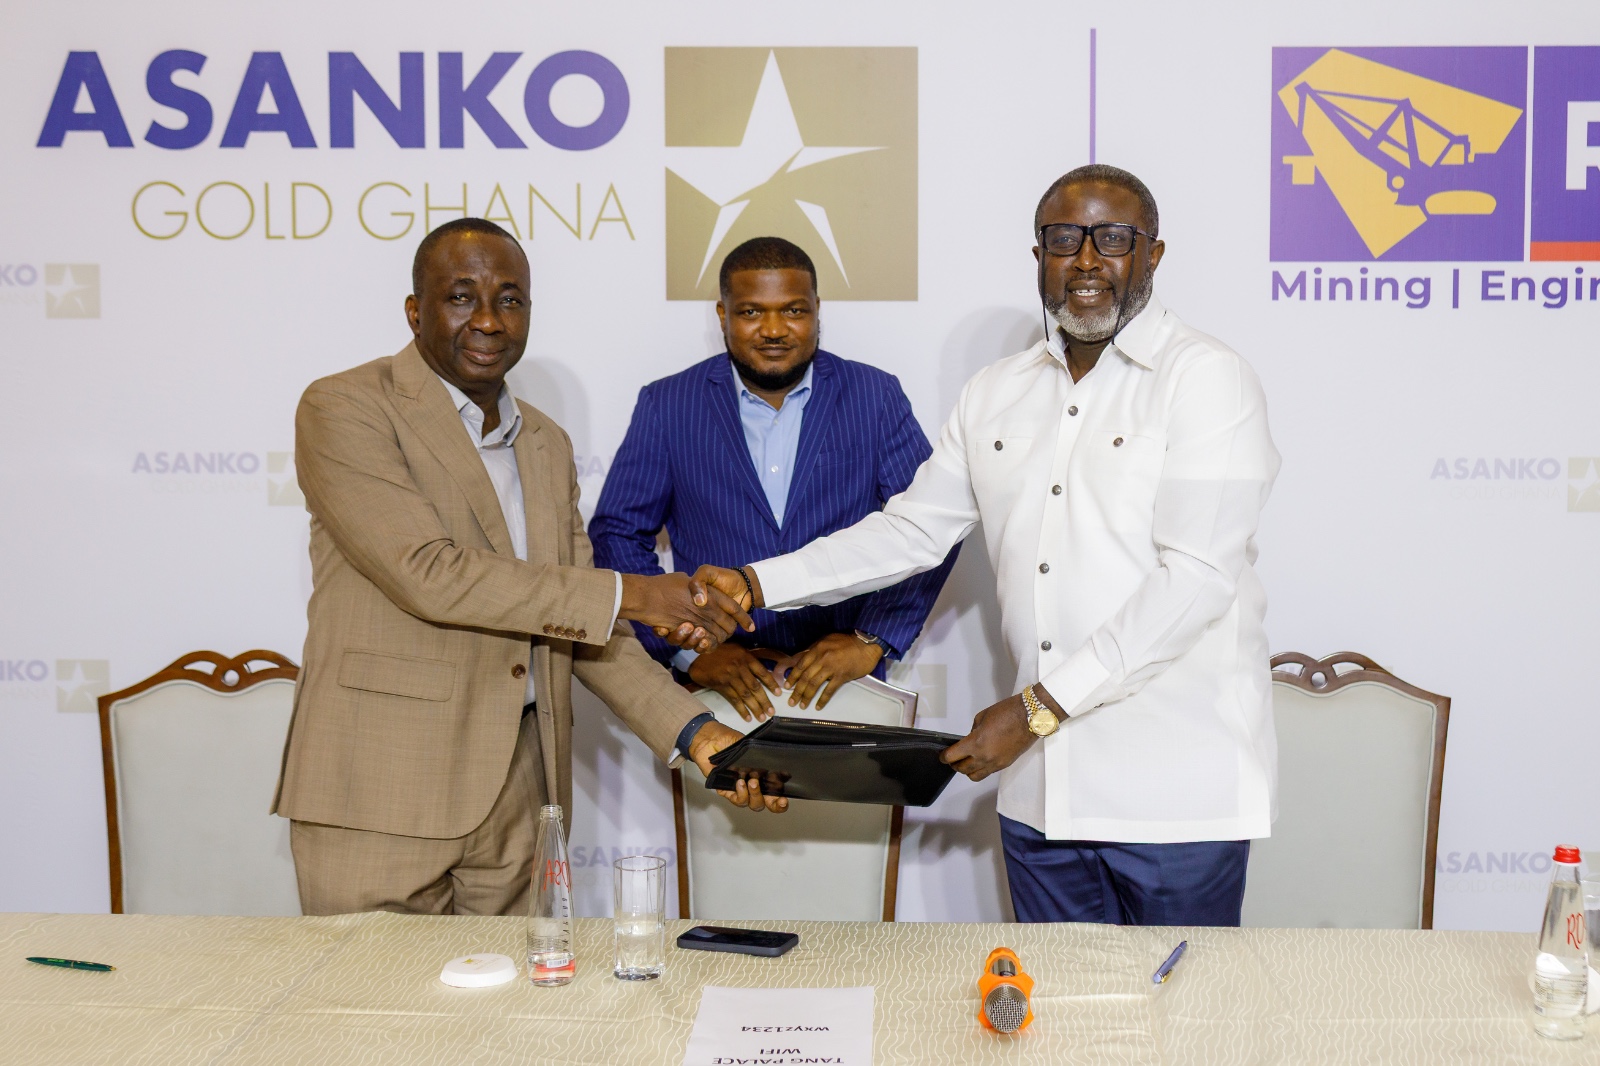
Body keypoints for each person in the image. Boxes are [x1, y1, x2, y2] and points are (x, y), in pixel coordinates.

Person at [693, 166, 1281, 926]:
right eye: (1064, 239)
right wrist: (754, 582)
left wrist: (1036, 710)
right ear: (1039, 255)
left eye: (1113, 239)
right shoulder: (995, 391)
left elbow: (1194, 581)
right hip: (1040, 797)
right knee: (1050, 1006)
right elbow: (911, 530)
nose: (1087, 260)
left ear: (1154, 254)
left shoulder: (1207, 379)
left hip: (1175, 799)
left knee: (1181, 1005)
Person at [273, 217, 783, 918]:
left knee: (515, 993)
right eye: (461, 297)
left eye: (509, 300)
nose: (488, 319)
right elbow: (429, 573)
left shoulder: (546, 441)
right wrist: (636, 593)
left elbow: (586, 628)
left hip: (520, 793)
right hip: (380, 786)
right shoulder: (346, 408)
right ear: (415, 311)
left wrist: (701, 735)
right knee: (373, 993)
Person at [590, 237, 957, 722]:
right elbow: (617, 533)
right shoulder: (669, 404)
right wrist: (686, 651)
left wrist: (870, 641)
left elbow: (931, 525)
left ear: (818, 311)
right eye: (751, 312)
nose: (774, 330)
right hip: (717, 692)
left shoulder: (875, 395)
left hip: (846, 686)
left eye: (793, 311)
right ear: (722, 315)